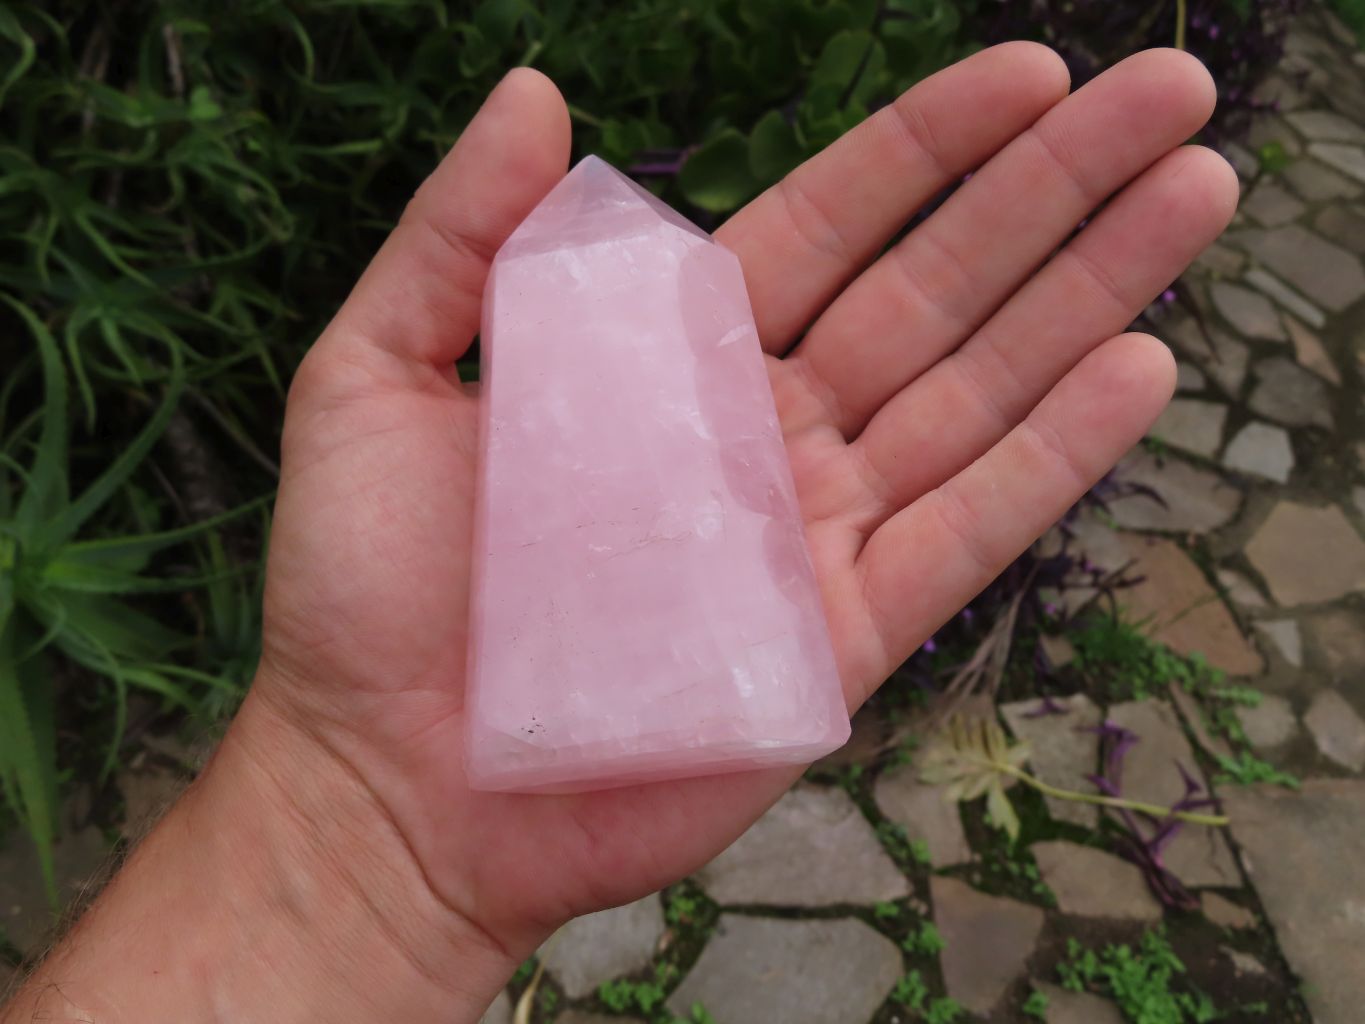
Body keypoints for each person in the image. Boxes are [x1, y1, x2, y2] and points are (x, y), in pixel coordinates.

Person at [1, 42, 1233, 1023]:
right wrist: (358, 833)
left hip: (653, 695)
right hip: (623, 703)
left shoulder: (609, 281)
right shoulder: (593, 287)